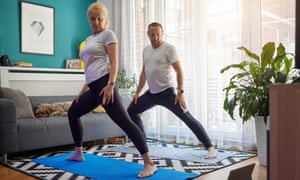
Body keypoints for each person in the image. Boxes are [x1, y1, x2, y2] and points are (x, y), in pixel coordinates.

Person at [67, 2, 157, 178]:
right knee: (72, 112)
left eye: (100, 18)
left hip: (104, 84)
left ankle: (149, 163)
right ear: (89, 20)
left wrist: (111, 84)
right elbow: (89, 68)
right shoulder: (88, 40)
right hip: (93, 87)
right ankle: (78, 153)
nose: (97, 21)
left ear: (105, 19)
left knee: (124, 122)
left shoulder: (108, 34)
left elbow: (114, 62)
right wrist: (82, 90)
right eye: (93, 19)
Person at [127, 22, 216, 159]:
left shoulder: (169, 48)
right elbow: (144, 73)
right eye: (152, 34)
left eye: (158, 34)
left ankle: (210, 147)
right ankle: (141, 140)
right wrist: (137, 93)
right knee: (132, 110)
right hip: (151, 93)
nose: (155, 37)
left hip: (168, 93)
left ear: (162, 34)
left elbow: (179, 70)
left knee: (187, 117)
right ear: (148, 34)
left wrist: (180, 93)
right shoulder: (146, 50)